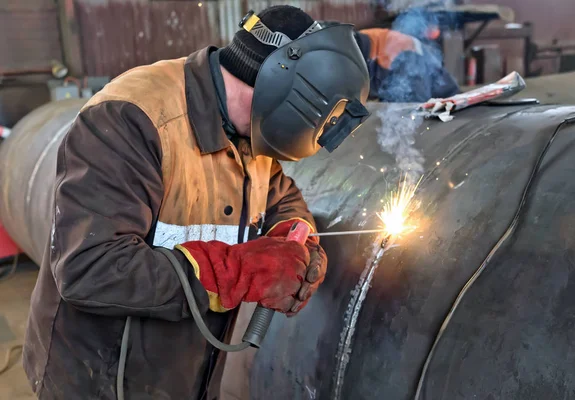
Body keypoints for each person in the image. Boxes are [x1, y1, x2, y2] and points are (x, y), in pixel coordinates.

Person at [22, 6, 370, 400]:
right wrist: (237, 272)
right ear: (285, 91)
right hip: (101, 379)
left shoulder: (251, 132)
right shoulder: (132, 119)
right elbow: (89, 269)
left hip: (190, 374)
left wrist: (293, 236)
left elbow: (280, 196)